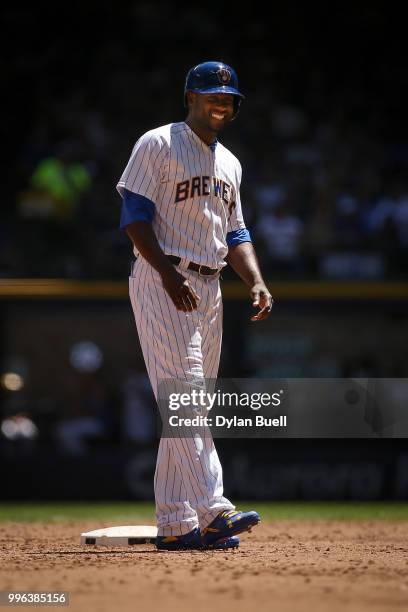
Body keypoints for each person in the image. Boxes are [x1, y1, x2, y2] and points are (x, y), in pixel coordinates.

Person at [117, 61, 273, 550]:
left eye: (228, 98)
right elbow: (134, 217)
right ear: (190, 97)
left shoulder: (230, 163)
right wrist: (165, 274)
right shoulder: (158, 142)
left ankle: (174, 522)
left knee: (188, 406)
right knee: (187, 400)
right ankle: (214, 508)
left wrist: (257, 280)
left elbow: (237, 231)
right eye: (211, 96)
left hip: (211, 286)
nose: (220, 104)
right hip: (165, 278)